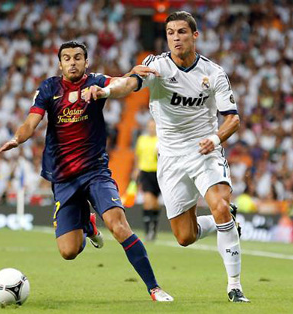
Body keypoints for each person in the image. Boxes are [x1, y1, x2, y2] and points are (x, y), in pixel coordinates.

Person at [87, 11, 249, 302]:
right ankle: (221, 221)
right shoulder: (156, 65)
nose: (176, 38)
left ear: (195, 36)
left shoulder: (214, 73)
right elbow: (131, 83)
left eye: (182, 32)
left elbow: (233, 119)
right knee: (185, 237)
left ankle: (234, 285)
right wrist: (108, 90)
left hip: (205, 153)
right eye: (171, 32)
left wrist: (214, 138)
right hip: (171, 159)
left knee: (220, 204)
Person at [0, 41, 173, 302]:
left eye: (78, 57)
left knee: (119, 226)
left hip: (95, 172)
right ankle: (88, 226)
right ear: (60, 64)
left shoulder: (96, 82)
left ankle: (154, 288)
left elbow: (121, 85)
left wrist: (120, 83)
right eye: (67, 58)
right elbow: (31, 122)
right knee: (68, 251)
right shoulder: (48, 88)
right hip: (63, 177)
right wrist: (17, 139)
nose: (73, 62)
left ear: (86, 62)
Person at [134, 119, 162, 241]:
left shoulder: (161, 140)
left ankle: (153, 228)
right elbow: (137, 155)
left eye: (154, 126)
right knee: (147, 201)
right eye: (150, 126)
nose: (151, 128)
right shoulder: (142, 140)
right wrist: (136, 169)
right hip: (145, 172)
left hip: (158, 173)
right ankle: (147, 231)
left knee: (155, 204)